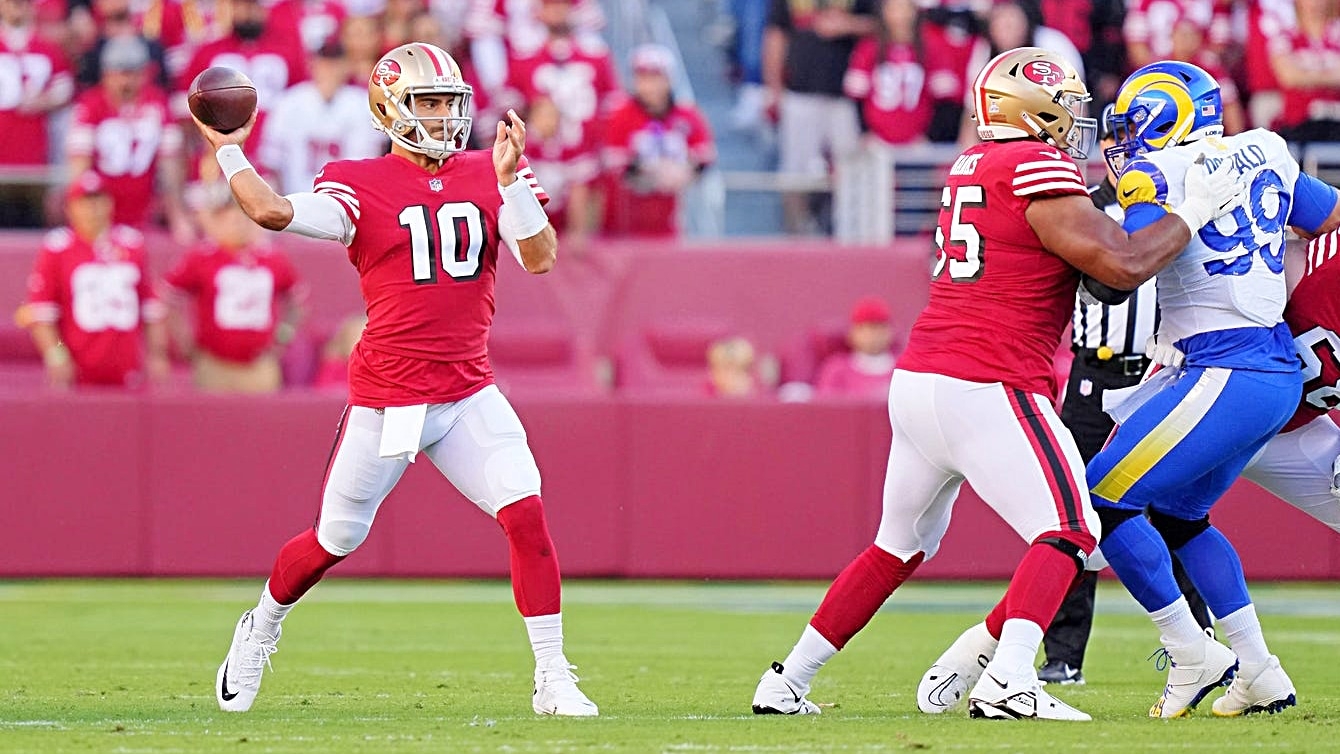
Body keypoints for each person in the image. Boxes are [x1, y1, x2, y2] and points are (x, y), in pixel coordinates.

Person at [751, 46, 1249, 722]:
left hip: (923, 377)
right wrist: (1191, 211)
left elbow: (1094, 273)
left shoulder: (972, 164)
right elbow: (1122, 267)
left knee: (898, 545)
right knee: (1074, 529)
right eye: (1065, 104)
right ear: (1031, 108)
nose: (1075, 118)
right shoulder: (1035, 163)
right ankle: (1010, 676)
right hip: (987, 378)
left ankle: (788, 679)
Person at [192, 41, 598, 716]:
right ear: (389, 108)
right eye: (428, 103)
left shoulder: (489, 168)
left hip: (469, 391)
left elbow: (542, 258)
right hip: (391, 399)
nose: (442, 118)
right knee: (334, 540)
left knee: (526, 514)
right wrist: (229, 147)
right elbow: (270, 212)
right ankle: (262, 624)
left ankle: (553, 677)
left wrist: (507, 182)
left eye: (449, 103)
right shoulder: (360, 181)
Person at [1083, 61, 1340, 719]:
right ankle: (1258, 670)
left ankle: (1190, 651)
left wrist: (1141, 199)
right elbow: (1328, 220)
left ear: (1162, 115)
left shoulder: (1155, 174)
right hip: (1270, 368)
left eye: (1129, 124)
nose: (1120, 142)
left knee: (1104, 499)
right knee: (1177, 515)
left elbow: (1132, 262)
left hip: (1226, 367)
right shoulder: (1265, 153)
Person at [1037, 105, 1212, 688]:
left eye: (1130, 138)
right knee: (1070, 514)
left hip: (1163, 374)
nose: (1121, 148)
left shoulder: (1181, 209)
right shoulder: (1082, 207)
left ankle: (1201, 642)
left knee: (1176, 512)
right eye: (1115, 138)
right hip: (1093, 378)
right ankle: (1062, 655)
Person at [19, 170, 170, 389]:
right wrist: (57, 355)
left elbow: (151, 307)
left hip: (127, 367)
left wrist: (157, 353)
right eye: (85, 203)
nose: (93, 210)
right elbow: (42, 314)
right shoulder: (58, 248)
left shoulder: (131, 244)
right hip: (78, 366)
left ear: (110, 204)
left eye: (98, 201)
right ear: (70, 208)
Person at [165, 179, 304, 393]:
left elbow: (297, 301)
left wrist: (282, 337)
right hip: (214, 364)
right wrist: (183, 339)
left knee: (261, 422)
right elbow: (169, 296)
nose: (237, 223)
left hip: (260, 364)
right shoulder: (202, 257)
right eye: (229, 216)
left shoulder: (272, 259)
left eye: (243, 216)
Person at [764, 0, 877, 234]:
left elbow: (883, 23)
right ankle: (795, 235)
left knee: (851, 171)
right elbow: (775, 35)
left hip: (845, 96)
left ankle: (850, 235)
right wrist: (773, 89)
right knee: (795, 173)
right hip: (799, 92)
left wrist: (848, 25)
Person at [68, 35, 189, 238]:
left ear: (144, 73)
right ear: (106, 74)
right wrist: (81, 214)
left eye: (132, 74)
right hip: (101, 209)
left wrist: (177, 214)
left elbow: (170, 165)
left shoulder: (157, 104)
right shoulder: (91, 105)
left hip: (145, 206)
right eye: (119, 74)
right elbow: (80, 166)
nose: (125, 82)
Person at [601, 44, 716, 238]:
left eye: (655, 78)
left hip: (670, 218)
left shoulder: (687, 115)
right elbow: (613, 165)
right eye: (643, 78)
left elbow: (705, 158)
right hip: (625, 221)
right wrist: (652, 171)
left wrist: (684, 172)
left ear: (669, 79)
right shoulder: (619, 115)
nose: (649, 86)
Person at [260, 40, 389, 195]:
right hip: (296, 203)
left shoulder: (363, 104)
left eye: (334, 65)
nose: (329, 71)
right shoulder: (289, 103)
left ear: (346, 66)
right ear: (312, 65)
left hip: (348, 206)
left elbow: (372, 164)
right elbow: (272, 164)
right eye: (324, 64)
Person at [813, 295, 896, 400]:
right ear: (852, 333)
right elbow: (825, 409)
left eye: (878, 328)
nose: (872, 335)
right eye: (864, 328)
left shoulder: (904, 369)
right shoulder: (836, 369)